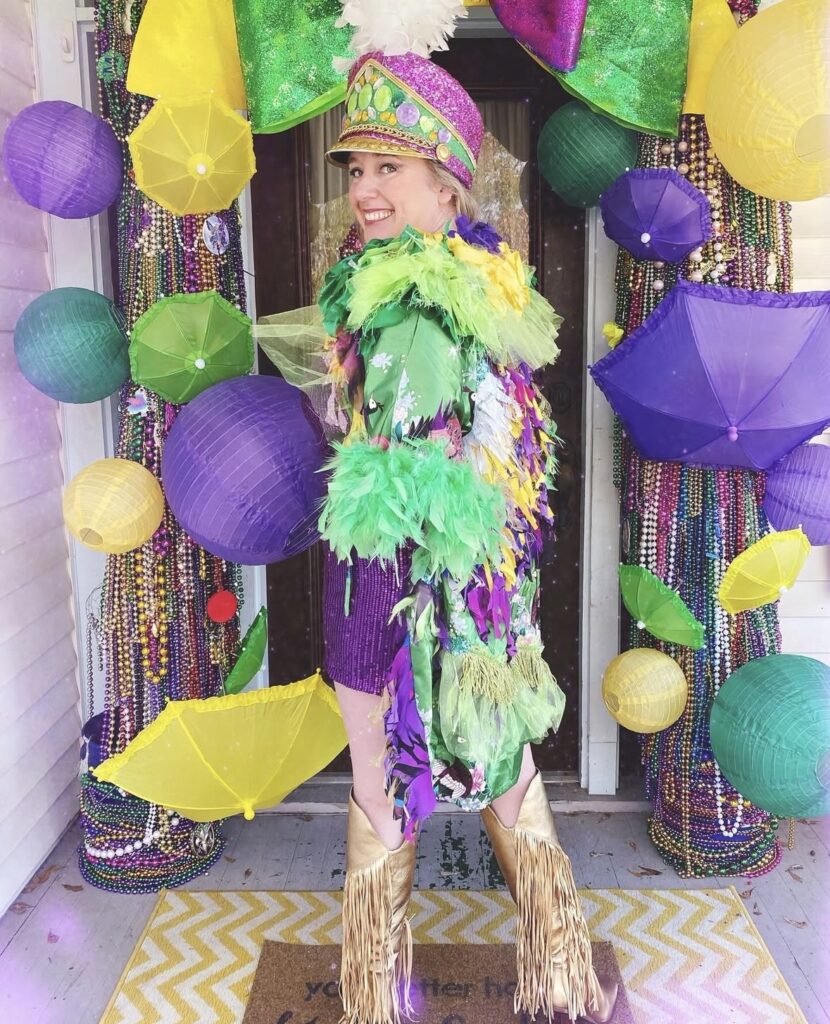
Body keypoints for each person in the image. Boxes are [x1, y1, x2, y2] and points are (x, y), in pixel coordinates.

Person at [259, 49, 617, 1024]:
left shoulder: (404, 296)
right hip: (484, 585)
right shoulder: (480, 277)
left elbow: (401, 475)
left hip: (394, 586)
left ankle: (376, 1000)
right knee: (504, 776)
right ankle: (562, 977)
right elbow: (499, 453)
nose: (364, 190)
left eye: (388, 168)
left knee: (381, 790)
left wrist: (367, 636)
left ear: (444, 179)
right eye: (355, 170)